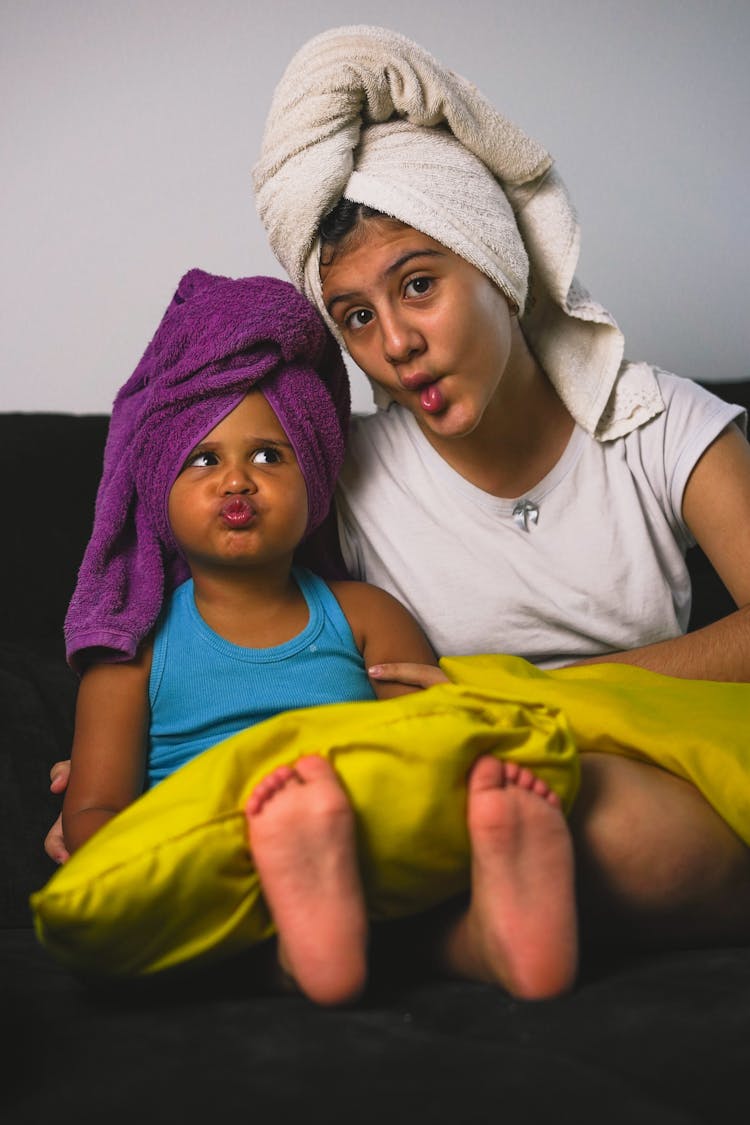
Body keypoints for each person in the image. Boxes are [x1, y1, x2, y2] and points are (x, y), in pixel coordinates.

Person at [48, 25, 750, 964]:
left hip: (619, 761)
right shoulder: (334, 470)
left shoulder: (656, 420)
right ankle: (451, 921)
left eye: (420, 285)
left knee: (627, 831)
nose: (394, 343)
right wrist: (133, 781)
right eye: (356, 317)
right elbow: (221, 589)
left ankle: (409, 922)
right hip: (438, 786)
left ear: (498, 264)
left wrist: (533, 693)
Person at [57, 266, 577, 1006]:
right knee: (110, 936)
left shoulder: (364, 614)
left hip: (357, 846)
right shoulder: (132, 649)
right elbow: (94, 809)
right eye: (204, 460)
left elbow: (418, 753)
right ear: (157, 490)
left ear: (317, 482)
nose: (237, 481)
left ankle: (492, 935)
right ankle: (318, 942)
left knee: (412, 874)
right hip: (209, 858)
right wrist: (138, 863)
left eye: (269, 455)